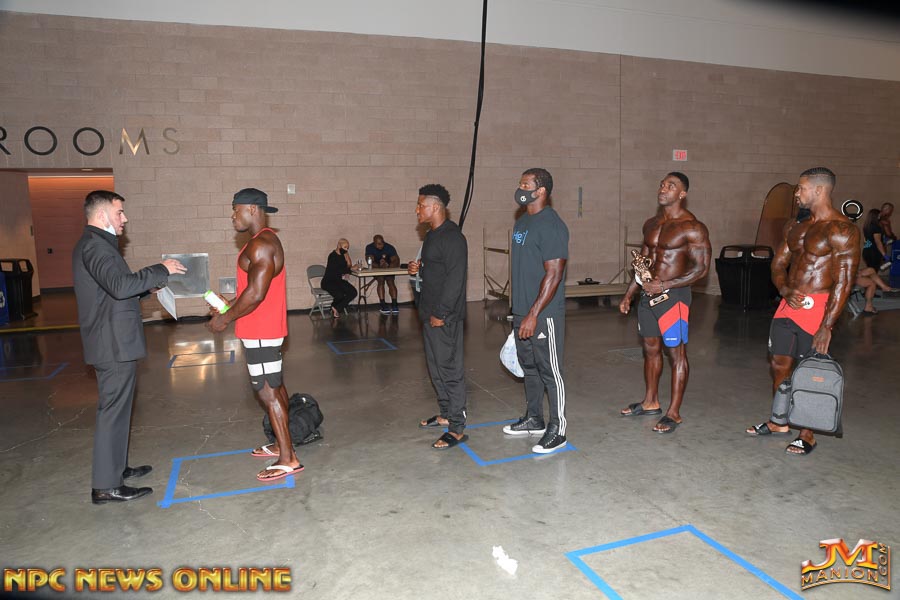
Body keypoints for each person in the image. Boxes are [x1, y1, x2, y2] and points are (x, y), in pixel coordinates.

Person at [73, 190, 187, 504]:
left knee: (120, 409)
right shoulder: (95, 246)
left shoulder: (100, 244)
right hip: (110, 344)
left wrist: (148, 287)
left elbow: (112, 291)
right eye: (119, 212)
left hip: (114, 341)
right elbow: (119, 286)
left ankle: (116, 469)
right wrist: (160, 268)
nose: (125, 218)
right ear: (101, 216)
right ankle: (105, 485)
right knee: (112, 412)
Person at [746, 167, 860, 455]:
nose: (797, 194)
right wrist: (785, 289)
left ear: (819, 190)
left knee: (808, 370)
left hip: (818, 307)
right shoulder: (795, 226)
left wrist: (827, 325)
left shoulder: (843, 230)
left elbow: (844, 282)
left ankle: (807, 434)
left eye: (801, 188)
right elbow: (777, 264)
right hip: (788, 304)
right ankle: (779, 421)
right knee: (779, 363)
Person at [207, 188, 303, 481]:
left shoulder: (261, 244)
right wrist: (229, 304)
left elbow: (256, 294)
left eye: (235, 209)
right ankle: (282, 444)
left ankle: (288, 458)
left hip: (262, 330)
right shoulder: (263, 241)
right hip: (261, 328)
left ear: (251, 209)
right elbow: (251, 290)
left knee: (267, 391)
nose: (232, 216)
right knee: (275, 386)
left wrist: (224, 318)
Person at [618, 172, 711, 434]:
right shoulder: (651, 224)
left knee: (676, 353)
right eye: (662, 184)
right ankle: (651, 402)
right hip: (648, 297)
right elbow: (643, 264)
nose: (663, 189)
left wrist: (666, 285)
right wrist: (629, 294)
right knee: (650, 349)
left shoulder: (693, 227)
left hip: (674, 297)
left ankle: (674, 412)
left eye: (671, 186)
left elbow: (701, 269)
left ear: (682, 194)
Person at [502, 168, 570, 453]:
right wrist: (519, 312)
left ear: (540, 190)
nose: (520, 188)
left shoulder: (551, 225)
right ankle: (534, 418)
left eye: (525, 184)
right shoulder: (522, 222)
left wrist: (533, 314)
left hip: (544, 314)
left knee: (550, 371)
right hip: (522, 310)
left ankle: (558, 429)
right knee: (529, 367)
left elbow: (554, 274)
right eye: (520, 182)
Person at [410, 184, 469, 449]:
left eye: (420, 205)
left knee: (450, 370)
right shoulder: (432, 236)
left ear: (435, 207)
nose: (417, 210)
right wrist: (418, 269)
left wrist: (441, 313)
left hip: (444, 316)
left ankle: (456, 427)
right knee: (436, 368)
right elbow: (436, 271)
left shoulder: (453, 238)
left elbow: (455, 280)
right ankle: (445, 413)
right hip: (429, 313)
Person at [321, 238, 357, 317]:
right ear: (339, 245)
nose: (346, 249)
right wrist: (351, 269)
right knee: (340, 295)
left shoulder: (344, 254)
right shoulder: (332, 256)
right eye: (345, 247)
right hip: (328, 281)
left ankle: (335, 308)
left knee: (353, 292)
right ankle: (335, 308)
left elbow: (349, 265)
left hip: (338, 280)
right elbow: (338, 270)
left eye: (347, 248)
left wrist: (347, 255)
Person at [365, 234, 400, 314]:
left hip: (388, 268)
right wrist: (380, 266)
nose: (380, 245)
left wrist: (388, 265)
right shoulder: (369, 247)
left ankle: (395, 305)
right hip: (377, 269)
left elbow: (396, 261)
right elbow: (369, 262)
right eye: (378, 244)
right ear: (374, 243)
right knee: (380, 281)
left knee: (391, 281)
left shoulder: (389, 247)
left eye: (382, 243)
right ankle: (383, 305)